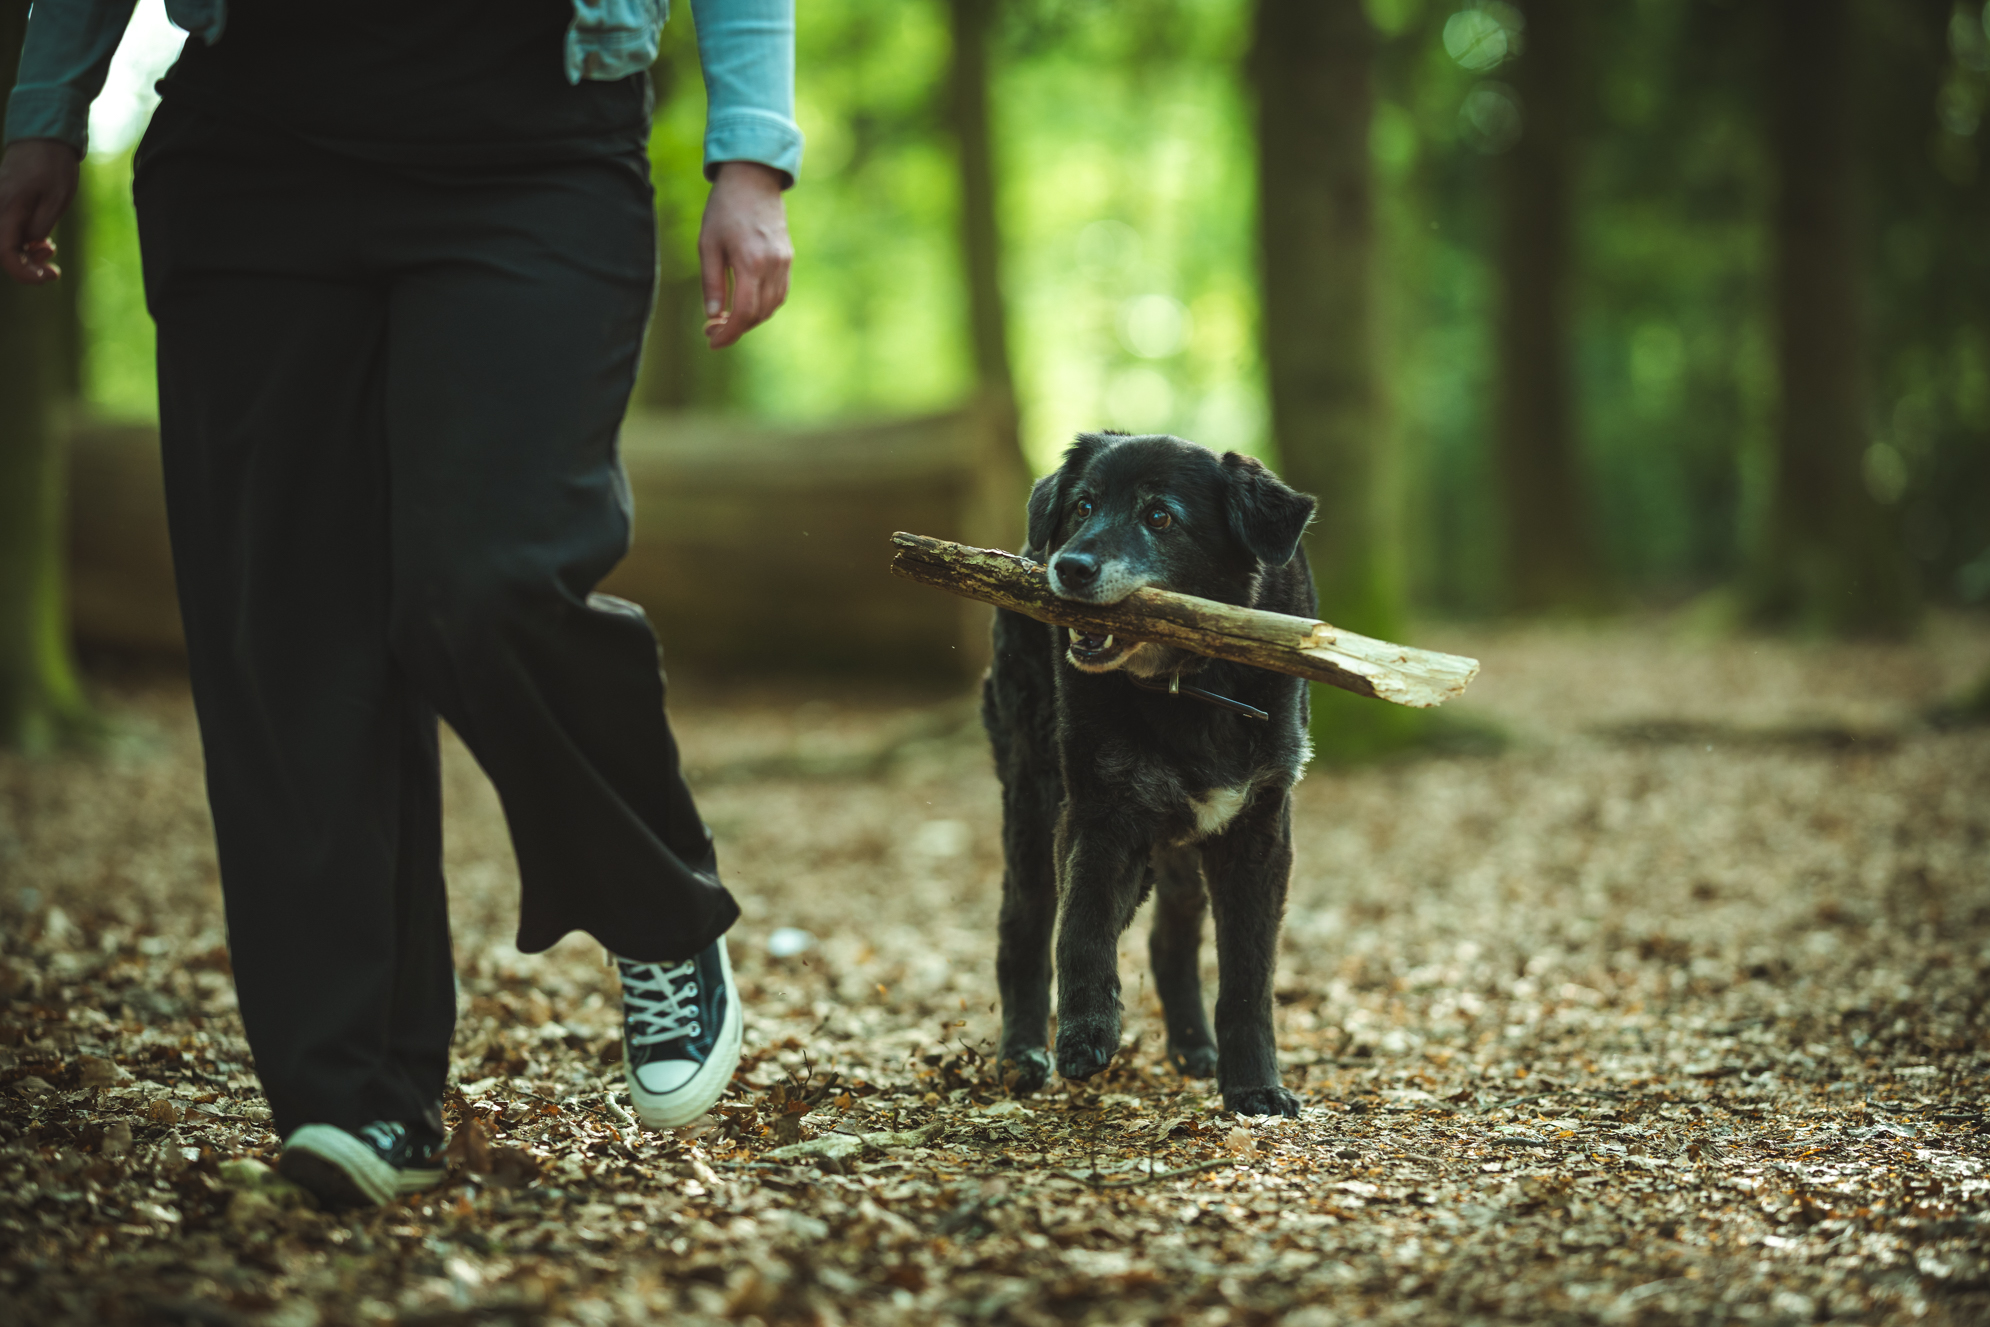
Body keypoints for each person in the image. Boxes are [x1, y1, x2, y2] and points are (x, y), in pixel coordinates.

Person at [0, 0, 798, 1208]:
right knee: (287, 629)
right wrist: (45, 107)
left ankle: (653, 899)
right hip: (252, 145)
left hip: (534, 145)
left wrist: (751, 151)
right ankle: (355, 1091)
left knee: (490, 578)